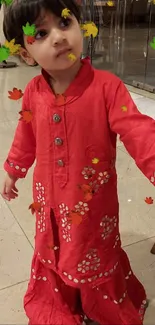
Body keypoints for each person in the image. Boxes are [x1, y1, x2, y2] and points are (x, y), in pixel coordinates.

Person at [0, 0, 154, 324]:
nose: (58, 36)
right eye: (41, 33)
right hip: (49, 202)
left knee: (90, 250)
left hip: (93, 206)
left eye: (64, 22)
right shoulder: (32, 92)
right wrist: (13, 171)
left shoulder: (107, 87)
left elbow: (138, 130)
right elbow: (25, 135)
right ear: (25, 54)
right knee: (54, 248)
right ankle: (62, 302)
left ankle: (100, 306)